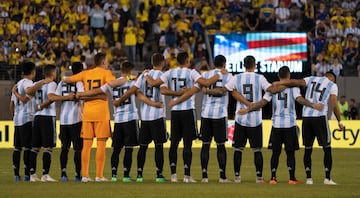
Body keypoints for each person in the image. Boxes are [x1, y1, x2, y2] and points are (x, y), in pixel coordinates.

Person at [144, 51, 224, 183]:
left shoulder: (169, 72)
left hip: (175, 112)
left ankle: (174, 175)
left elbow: (157, 86)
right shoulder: (191, 72)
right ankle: (187, 175)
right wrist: (219, 73)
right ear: (187, 61)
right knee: (187, 144)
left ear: (177, 62)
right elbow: (205, 82)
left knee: (174, 143)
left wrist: (146, 74)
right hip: (188, 111)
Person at [76, 61, 160, 182]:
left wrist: (82, 94)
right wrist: (154, 104)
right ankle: (126, 175)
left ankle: (114, 175)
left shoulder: (112, 84)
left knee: (116, 149)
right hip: (130, 118)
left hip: (118, 120)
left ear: (120, 70)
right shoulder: (133, 83)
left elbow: (97, 91)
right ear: (131, 71)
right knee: (129, 148)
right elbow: (141, 96)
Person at [238, 66, 323, 184]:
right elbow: (300, 100)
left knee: (275, 153)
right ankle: (292, 178)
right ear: (289, 76)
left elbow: (263, 103)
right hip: (290, 124)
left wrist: (248, 110)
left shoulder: (272, 88)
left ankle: (273, 178)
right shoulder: (294, 88)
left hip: (276, 125)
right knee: (290, 153)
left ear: (278, 76)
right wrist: (313, 105)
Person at [169, 55, 233, 183]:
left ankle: (204, 176)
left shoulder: (206, 75)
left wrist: (205, 91)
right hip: (220, 114)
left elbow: (198, 89)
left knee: (205, 145)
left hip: (205, 114)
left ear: (214, 64)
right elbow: (226, 91)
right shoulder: (229, 76)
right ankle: (222, 177)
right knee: (220, 146)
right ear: (224, 64)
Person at [275, 71, 344, 185]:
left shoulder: (311, 79)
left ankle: (309, 179)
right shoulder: (332, 85)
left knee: (308, 149)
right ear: (333, 79)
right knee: (326, 148)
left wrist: (281, 82)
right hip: (320, 117)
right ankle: (327, 178)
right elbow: (334, 104)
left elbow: (296, 82)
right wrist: (339, 121)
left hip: (306, 117)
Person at [225, 55, 281, 183]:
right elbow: (270, 89)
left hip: (240, 117)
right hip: (255, 118)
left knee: (238, 149)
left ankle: (237, 177)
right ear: (254, 64)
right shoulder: (260, 78)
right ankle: (259, 177)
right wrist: (281, 84)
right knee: (257, 150)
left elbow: (231, 91)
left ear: (244, 65)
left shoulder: (236, 77)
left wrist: (245, 103)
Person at [114, 54, 168, 182]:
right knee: (158, 146)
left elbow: (132, 90)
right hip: (158, 115)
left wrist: (119, 100)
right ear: (163, 62)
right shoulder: (163, 75)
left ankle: (139, 174)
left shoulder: (143, 75)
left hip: (144, 117)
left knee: (143, 147)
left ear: (152, 62)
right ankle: (159, 175)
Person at [63, 52, 116, 182]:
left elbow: (67, 79)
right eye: (107, 61)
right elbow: (113, 85)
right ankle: (99, 175)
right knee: (101, 144)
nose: (107, 64)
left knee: (86, 146)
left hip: (87, 114)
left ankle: (85, 176)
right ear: (103, 62)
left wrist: (82, 95)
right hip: (101, 113)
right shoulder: (106, 73)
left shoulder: (85, 73)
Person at [10, 62, 51, 182]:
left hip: (18, 119)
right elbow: (27, 94)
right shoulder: (28, 83)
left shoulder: (17, 83)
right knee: (28, 148)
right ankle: (28, 174)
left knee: (17, 148)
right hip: (27, 118)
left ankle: (16, 175)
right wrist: (42, 82)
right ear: (33, 71)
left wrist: (14, 116)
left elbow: (11, 104)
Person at [53, 62, 84, 182]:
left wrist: (65, 97)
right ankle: (77, 175)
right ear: (81, 70)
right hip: (76, 120)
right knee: (77, 149)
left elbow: (54, 97)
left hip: (63, 121)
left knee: (64, 148)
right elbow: (81, 95)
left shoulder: (63, 81)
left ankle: (63, 174)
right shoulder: (79, 82)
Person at [29, 64, 59, 182]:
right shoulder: (52, 84)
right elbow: (51, 98)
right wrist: (42, 106)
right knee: (48, 147)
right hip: (47, 116)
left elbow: (30, 92)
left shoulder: (38, 83)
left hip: (37, 117)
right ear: (52, 73)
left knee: (35, 147)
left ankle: (32, 175)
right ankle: (45, 175)